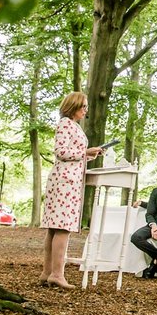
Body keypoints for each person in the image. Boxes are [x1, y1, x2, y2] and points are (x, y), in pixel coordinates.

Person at [39, 92, 103, 290]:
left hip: (68, 179)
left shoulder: (72, 126)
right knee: (62, 226)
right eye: (83, 107)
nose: (85, 111)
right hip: (65, 181)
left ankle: (47, 272)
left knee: (55, 226)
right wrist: (85, 152)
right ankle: (57, 273)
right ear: (73, 107)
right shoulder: (65, 124)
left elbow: (73, 153)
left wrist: (89, 154)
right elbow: (61, 151)